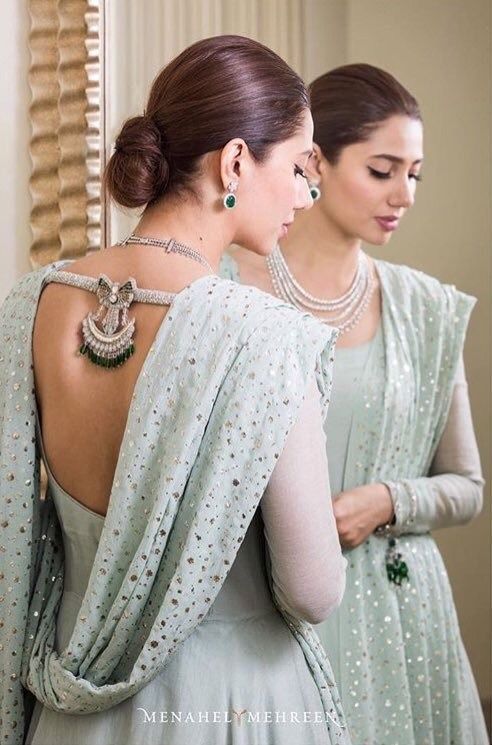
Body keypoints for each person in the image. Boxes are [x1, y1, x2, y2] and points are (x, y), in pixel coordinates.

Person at [0, 36, 352, 745]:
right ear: (235, 161)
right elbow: (313, 590)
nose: (304, 194)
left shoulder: (30, 305)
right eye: (296, 166)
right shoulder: (264, 338)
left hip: (71, 707)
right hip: (227, 701)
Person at [220, 63, 488, 744]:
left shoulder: (425, 309)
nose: (405, 194)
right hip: (266, 614)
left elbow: (468, 486)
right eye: (382, 170)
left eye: (415, 174)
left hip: (400, 619)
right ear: (314, 161)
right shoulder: (227, 290)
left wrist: (388, 500)